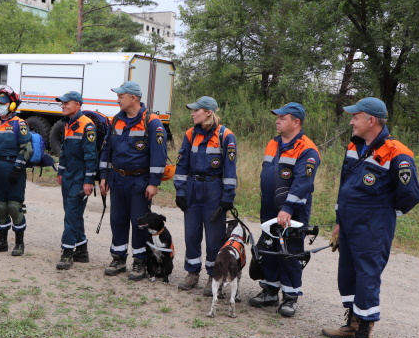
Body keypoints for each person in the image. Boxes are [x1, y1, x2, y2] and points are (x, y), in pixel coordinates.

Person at [322, 98, 419, 338]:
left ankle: (364, 336)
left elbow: (411, 194)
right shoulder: (355, 146)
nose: (351, 121)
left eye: (356, 116)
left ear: (372, 121)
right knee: (348, 275)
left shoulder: (397, 153)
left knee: (367, 277)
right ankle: (352, 323)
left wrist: (383, 214)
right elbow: (345, 185)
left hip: (373, 226)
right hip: (349, 223)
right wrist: (339, 220)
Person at [248, 102, 320, 317]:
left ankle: (290, 296)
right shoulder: (273, 143)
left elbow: (302, 184)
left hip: (292, 211)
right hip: (269, 206)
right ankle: (270, 290)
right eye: (277, 117)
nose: (277, 121)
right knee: (269, 247)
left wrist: (288, 208)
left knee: (290, 252)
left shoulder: (307, 149)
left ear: (296, 122)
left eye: (283, 118)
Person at [99, 81, 168, 280]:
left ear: (133, 98)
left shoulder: (152, 122)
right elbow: (107, 150)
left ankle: (140, 261)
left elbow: (159, 155)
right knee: (117, 220)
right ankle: (118, 258)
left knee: (140, 223)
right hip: (118, 179)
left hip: (140, 181)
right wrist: (104, 176)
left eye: (121, 96)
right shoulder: (116, 120)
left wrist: (154, 182)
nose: (117, 99)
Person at [174, 96, 238, 295]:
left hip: (214, 190)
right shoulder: (190, 133)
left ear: (208, 113)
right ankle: (192, 273)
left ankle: (213, 276)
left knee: (214, 238)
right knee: (191, 234)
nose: (192, 113)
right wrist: (180, 191)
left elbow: (230, 170)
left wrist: (228, 197)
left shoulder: (226, 135)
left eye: (196, 110)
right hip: (193, 188)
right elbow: (182, 164)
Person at [0, 86, 33, 256]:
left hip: (13, 171)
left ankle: (19, 244)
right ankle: (2, 242)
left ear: (12, 106)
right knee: (0, 207)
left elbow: (27, 148)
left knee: (13, 206)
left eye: (3, 103)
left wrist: (17, 168)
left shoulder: (20, 124)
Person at [54, 91, 98, 270]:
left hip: (80, 177)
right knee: (73, 213)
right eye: (62, 103)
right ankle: (82, 251)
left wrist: (88, 180)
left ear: (78, 105)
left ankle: (67, 252)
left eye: (67, 103)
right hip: (69, 176)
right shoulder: (68, 123)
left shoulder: (87, 125)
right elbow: (64, 151)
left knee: (71, 214)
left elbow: (91, 156)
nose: (63, 105)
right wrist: (61, 171)